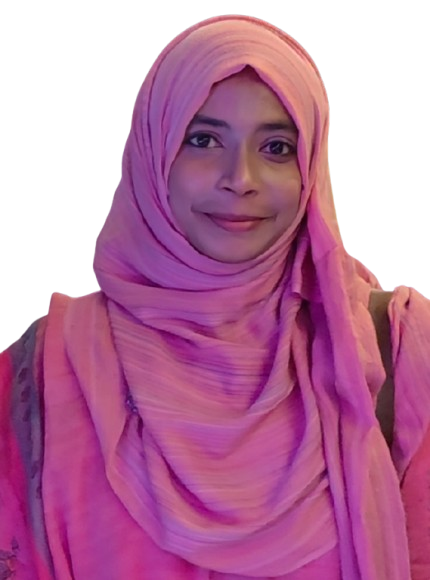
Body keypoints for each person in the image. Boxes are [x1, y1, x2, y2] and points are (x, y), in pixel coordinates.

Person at [1, 13, 429, 580]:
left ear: (311, 169)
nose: (241, 178)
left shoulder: (392, 354)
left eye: (276, 147)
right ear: (153, 154)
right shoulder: (43, 375)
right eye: (203, 140)